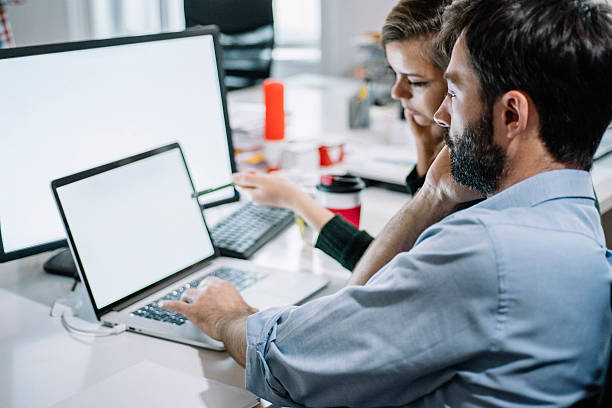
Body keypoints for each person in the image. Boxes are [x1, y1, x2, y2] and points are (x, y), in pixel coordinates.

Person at [163, 0, 612, 406]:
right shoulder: (577, 216)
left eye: (453, 93)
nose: (441, 115)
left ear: (511, 115)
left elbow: (290, 357)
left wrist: (226, 316)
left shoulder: (485, 254)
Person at [232, 0, 451, 272]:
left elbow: (385, 266)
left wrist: (294, 199)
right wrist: (425, 146)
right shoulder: (446, 151)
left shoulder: (470, 175)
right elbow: (416, 241)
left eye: (416, 81)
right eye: (394, 74)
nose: (397, 92)